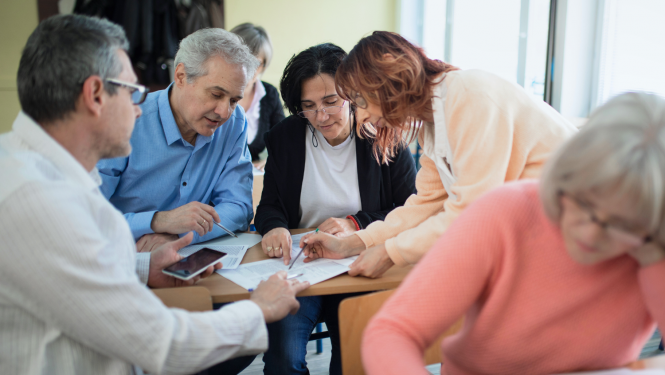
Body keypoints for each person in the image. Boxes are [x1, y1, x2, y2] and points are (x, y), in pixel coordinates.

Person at [0, 14, 309, 375]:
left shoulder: (28, 170)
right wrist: (259, 308)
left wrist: (144, 266)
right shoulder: (38, 200)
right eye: (131, 91)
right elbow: (161, 343)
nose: (138, 106)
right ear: (96, 95)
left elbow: (71, 270)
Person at [362, 92, 665, 375]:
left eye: (623, 224)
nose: (592, 233)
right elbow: (392, 332)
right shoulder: (506, 213)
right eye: (584, 202)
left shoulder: (653, 245)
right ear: (566, 175)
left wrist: (654, 257)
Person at [299, 31, 578, 278]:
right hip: (547, 229)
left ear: (385, 79)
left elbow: (471, 212)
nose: (362, 116)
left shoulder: (467, 95)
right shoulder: (432, 121)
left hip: (579, 222)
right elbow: (425, 205)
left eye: (360, 100)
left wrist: (389, 253)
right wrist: (351, 243)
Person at [254, 43, 418, 375]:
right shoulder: (285, 137)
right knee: (283, 358)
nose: (321, 116)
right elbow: (270, 204)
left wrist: (355, 223)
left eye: (331, 102)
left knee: (354, 362)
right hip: (303, 266)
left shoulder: (383, 131)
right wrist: (274, 226)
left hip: (361, 263)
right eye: (308, 106)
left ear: (352, 94)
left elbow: (410, 208)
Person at [97, 27, 256, 251]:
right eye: (216, 95)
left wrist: (180, 236)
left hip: (188, 256)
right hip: (118, 256)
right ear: (181, 76)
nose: (224, 112)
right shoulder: (128, 119)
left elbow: (238, 207)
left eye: (234, 100)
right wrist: (157, 221)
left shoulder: (234, 122)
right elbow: (83, 214)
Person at [231, 22, 285, 171]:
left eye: (256, 63)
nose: (248, 69)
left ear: (264, 65)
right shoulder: (216, 93)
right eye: (242, 60)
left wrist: (273, 159)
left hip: (251, 175)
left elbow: (285, 140)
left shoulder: (269, 94)